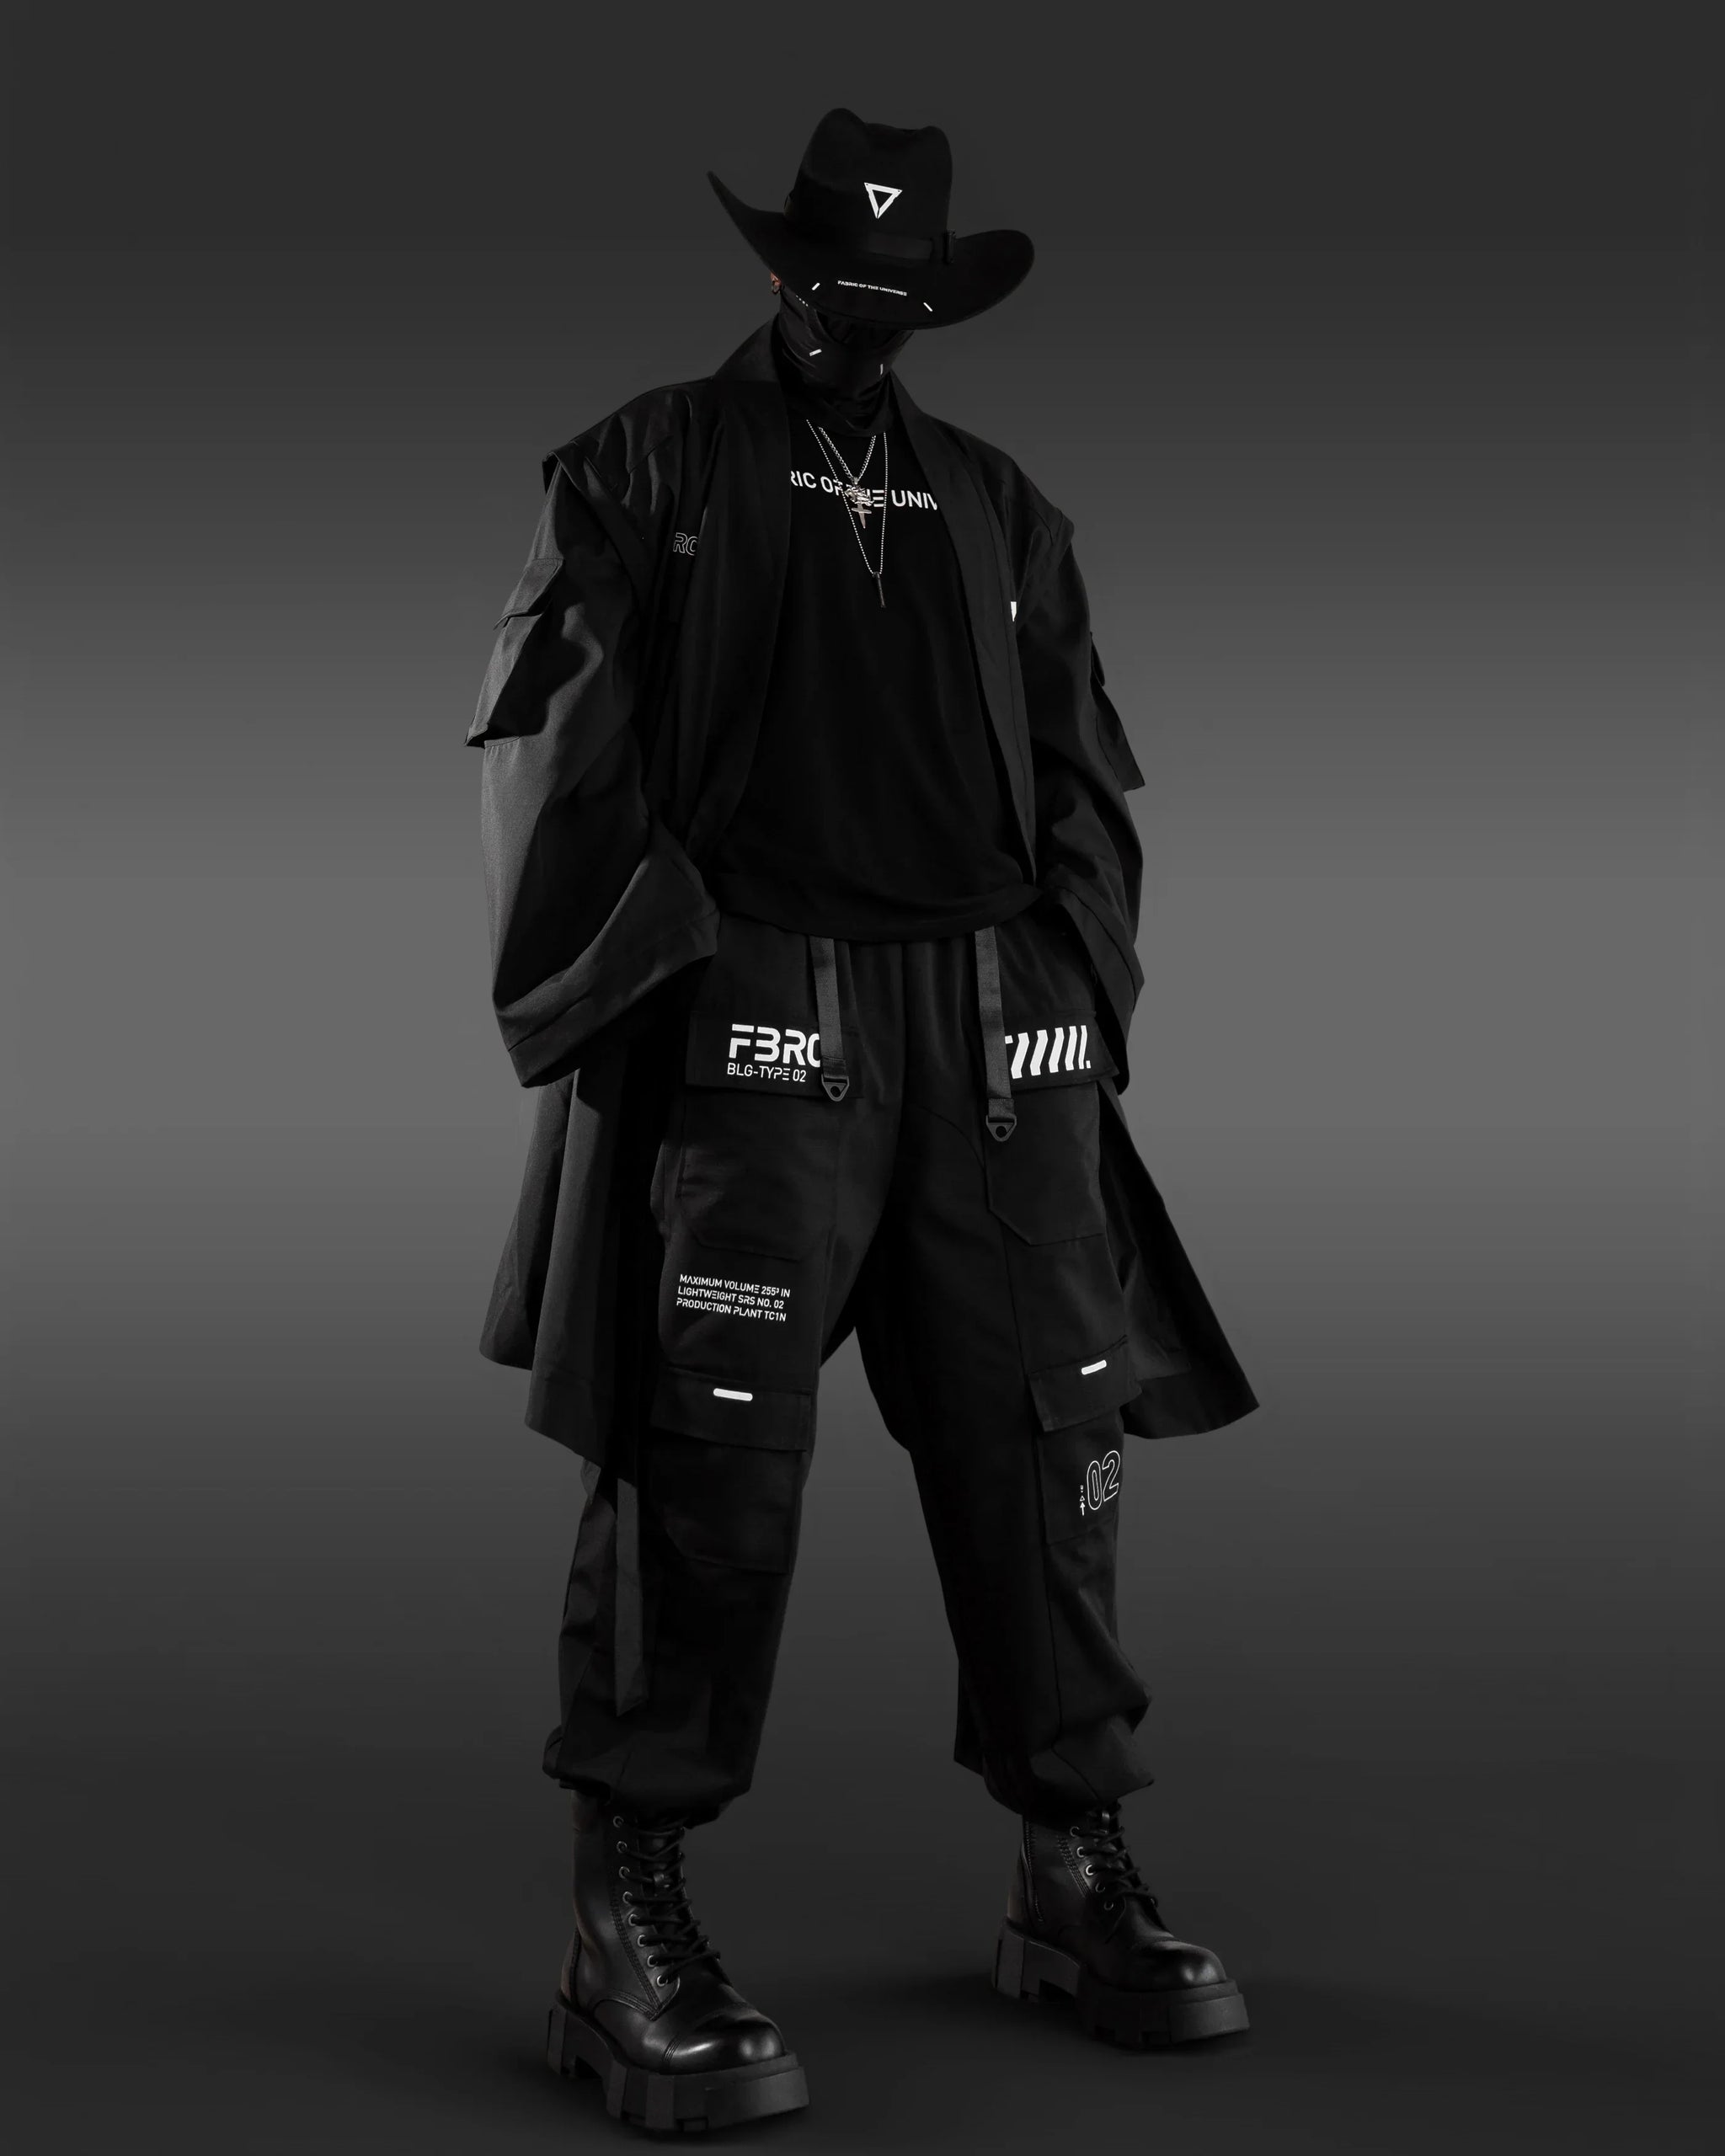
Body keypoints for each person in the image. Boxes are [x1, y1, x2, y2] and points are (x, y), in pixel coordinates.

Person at [467, 108, 1259, 2135]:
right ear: (777, 269)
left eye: (896, 295)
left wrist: (1067, 983)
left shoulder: (999, 505)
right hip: (760, 1014)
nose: (860, 318)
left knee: (1049, 1444)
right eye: (834, 283)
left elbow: (1089, 780)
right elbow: (553, 747)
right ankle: (624, 1912)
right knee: (706, 1452)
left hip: (993, 1038)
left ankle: (1072, 1860)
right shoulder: (647, 465)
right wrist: (670, 980)